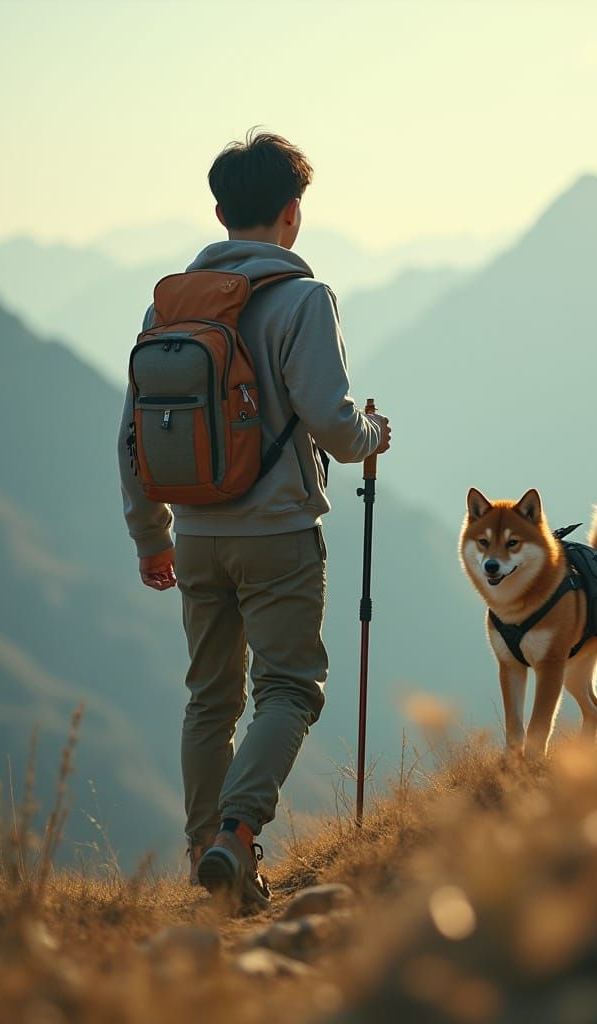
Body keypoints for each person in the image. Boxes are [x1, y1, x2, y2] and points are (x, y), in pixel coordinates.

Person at [116, 129, 391, 906]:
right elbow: (334, 427)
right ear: (293, 215)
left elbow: (133, 434)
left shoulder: (167, 303)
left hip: (196, 535)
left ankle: (206, 851)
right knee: (292, 689)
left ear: (217, 210)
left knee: (210, 698)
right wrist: (374, 437)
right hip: (278, 537)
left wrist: (151, 536)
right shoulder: (305, 299)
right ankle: (238, 836)